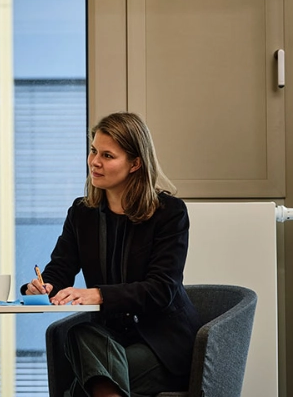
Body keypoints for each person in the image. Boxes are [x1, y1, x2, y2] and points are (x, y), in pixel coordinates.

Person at [21, 112, 201, 397]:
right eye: (94, 151)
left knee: (82, 390)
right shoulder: (82, 213)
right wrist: (43, 286)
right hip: (109, 337)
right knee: (78, 334)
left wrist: (98, 294)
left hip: (162, 344)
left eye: (107, 155)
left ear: (135, 164)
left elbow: (161, 290)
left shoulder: (169, 213)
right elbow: (60, 268)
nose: (95, 161)